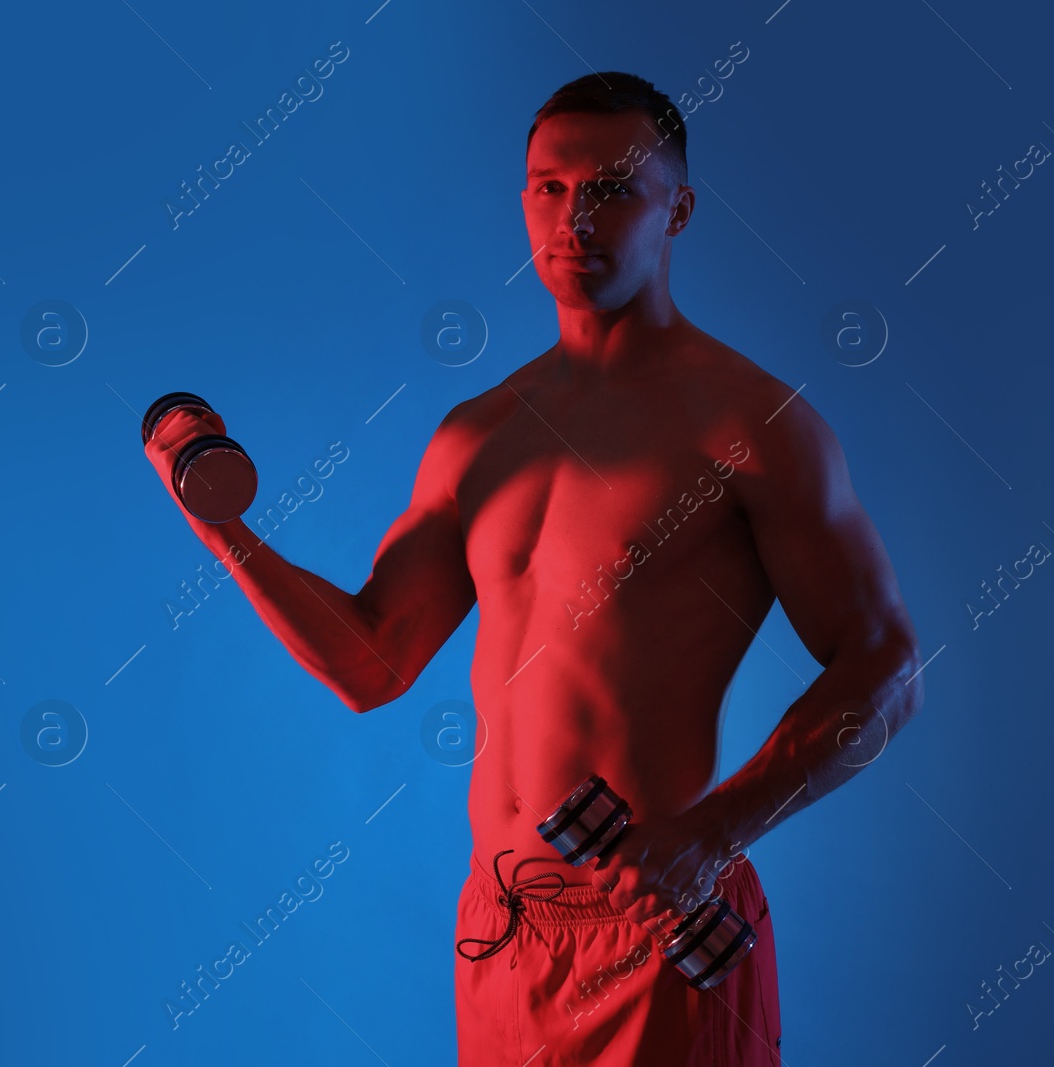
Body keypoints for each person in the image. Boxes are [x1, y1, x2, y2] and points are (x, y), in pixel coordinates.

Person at [142, 71, 924, 1066]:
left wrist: (712, 832)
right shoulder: (477, 436)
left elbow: (885, 666)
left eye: (610, 187)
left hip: (661, 935)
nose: (573, 218)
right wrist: (225, 531)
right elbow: (370, 665)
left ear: (675, 208)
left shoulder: (752, 428)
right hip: (501, 937)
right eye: (548, 188)